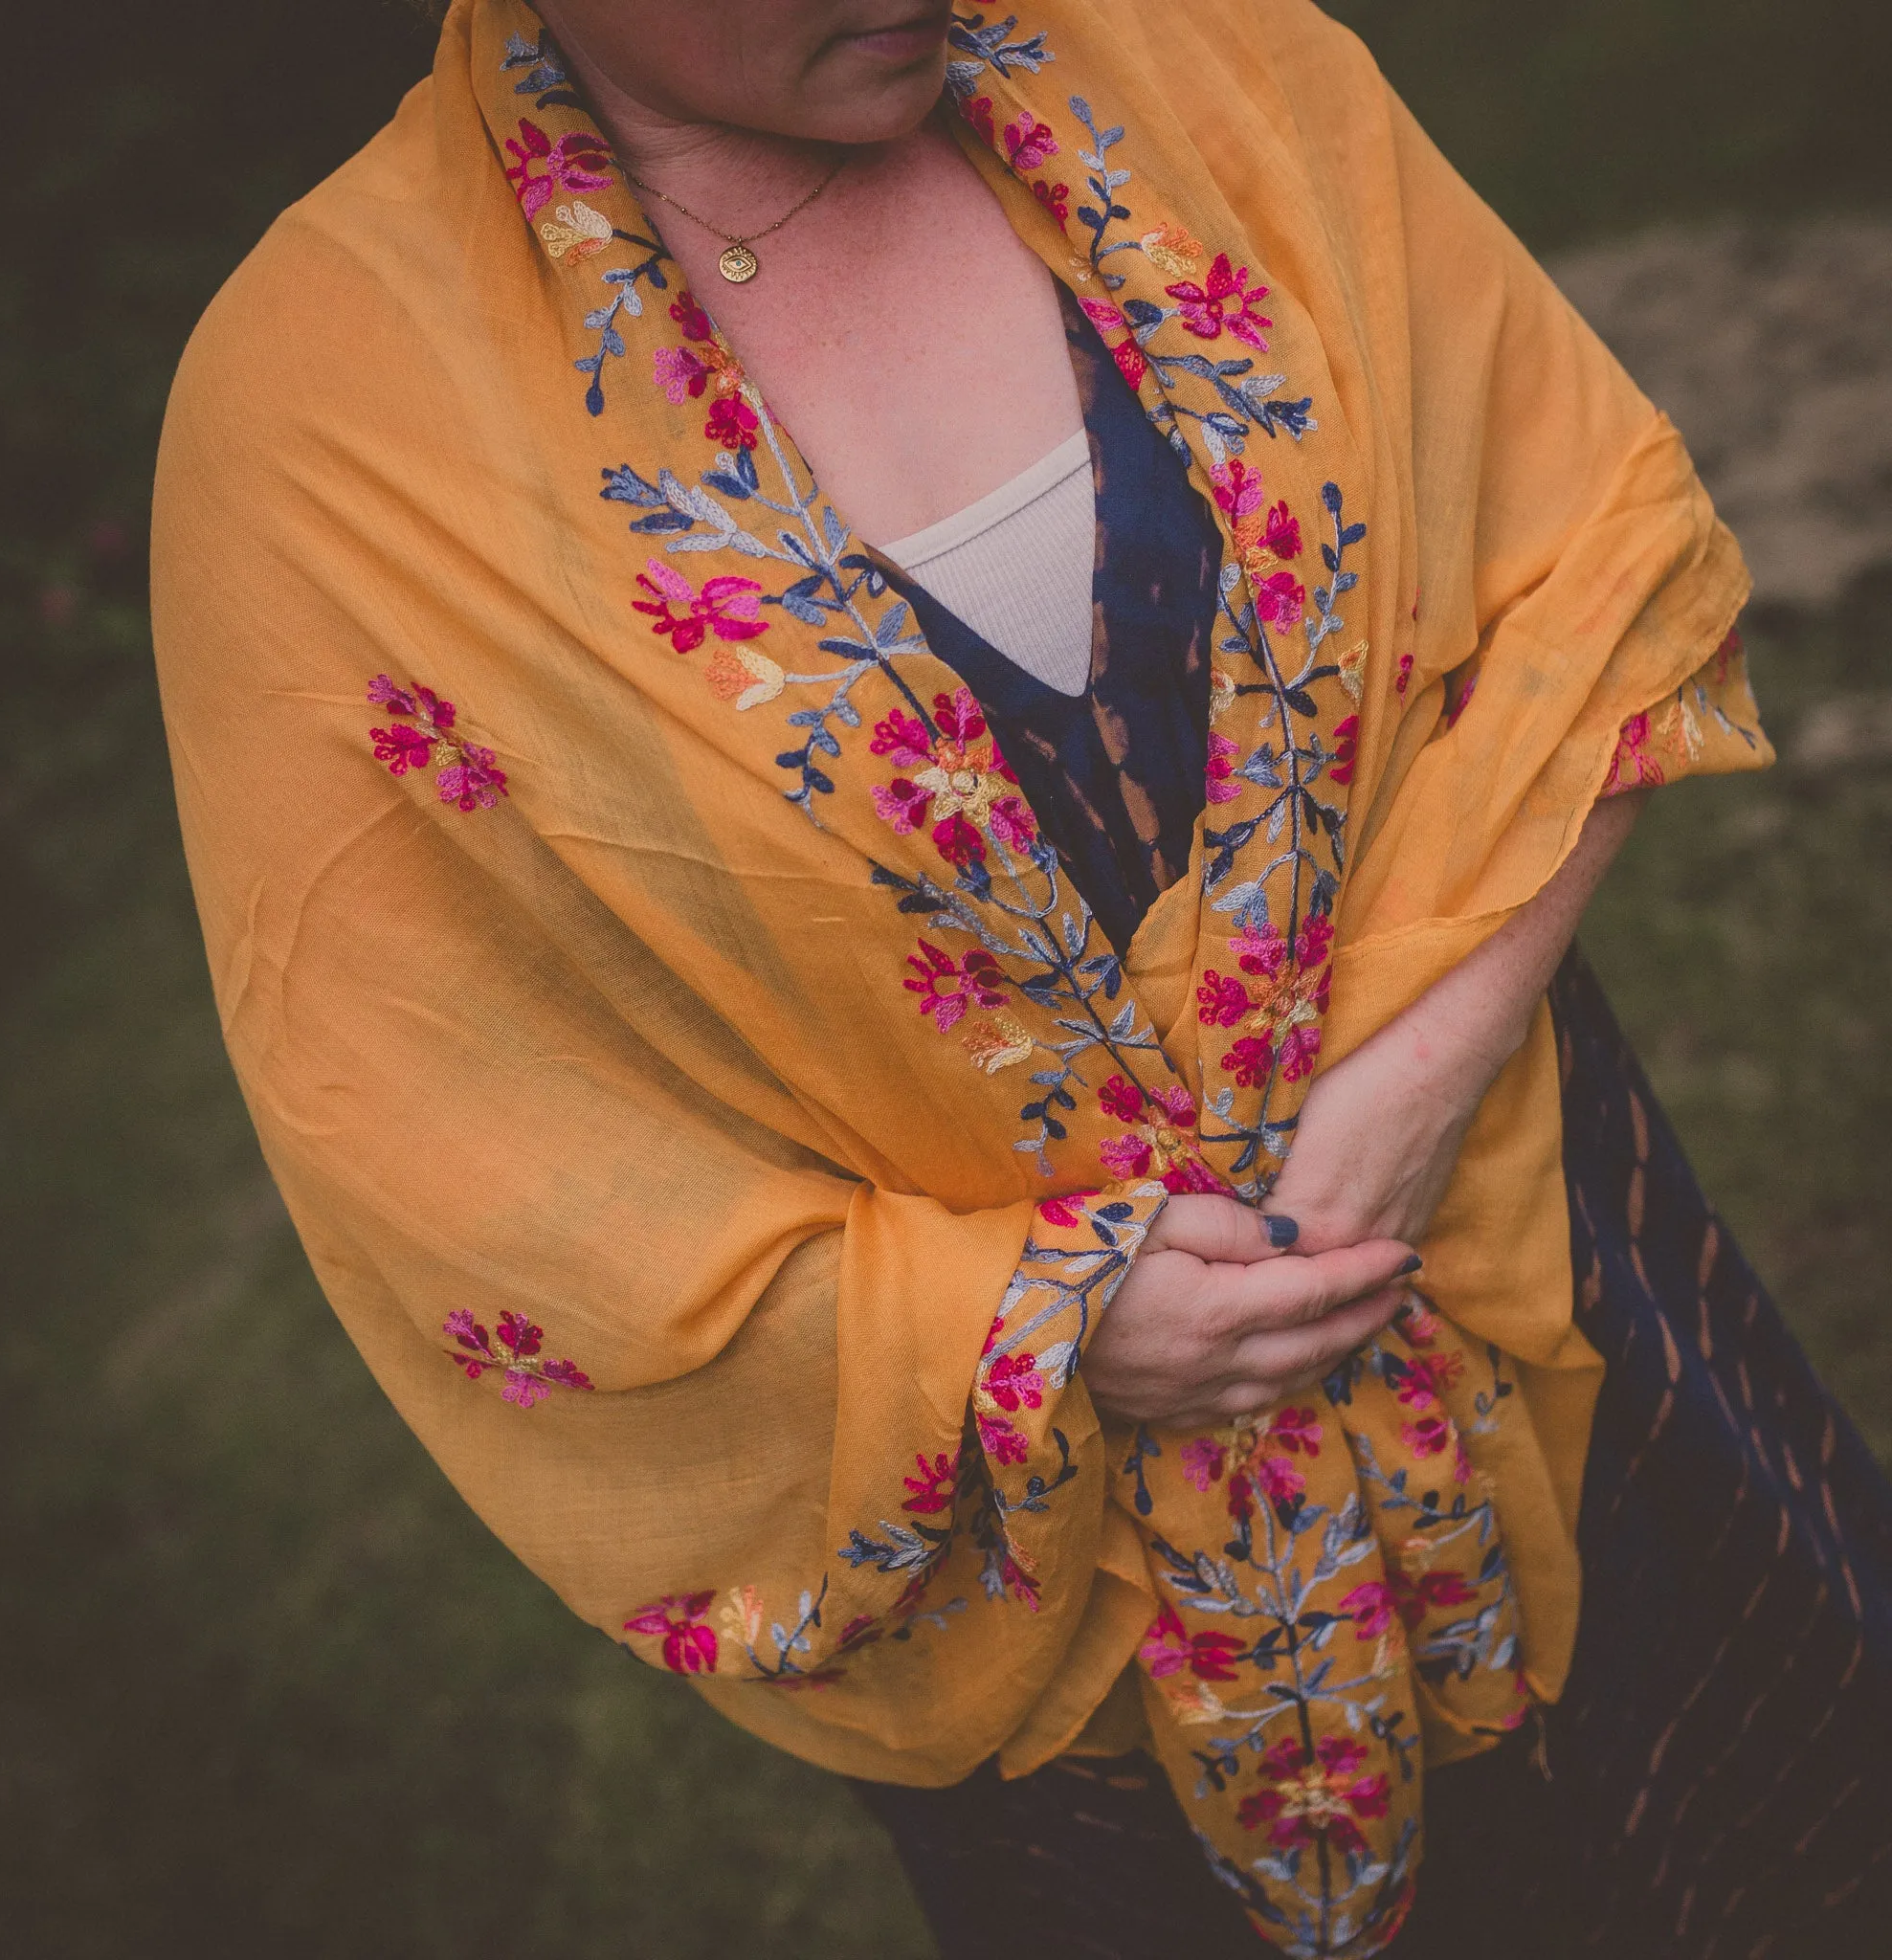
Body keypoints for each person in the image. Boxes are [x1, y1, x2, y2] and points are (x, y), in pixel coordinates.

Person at [149, 1, 1892, 1952]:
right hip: (1051, 1591)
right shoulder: (322, 414)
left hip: (1527, 1251)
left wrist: (1410, 1091)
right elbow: (433, 1128)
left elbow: (1587, 567)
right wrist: (1036, 1327)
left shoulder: (1210, 59)